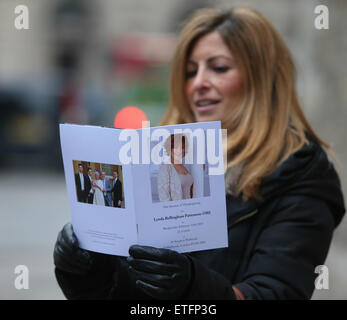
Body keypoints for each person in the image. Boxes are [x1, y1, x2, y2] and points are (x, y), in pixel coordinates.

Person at [54, 7, 345, 299]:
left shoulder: (302, 172)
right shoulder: (158, 163)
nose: (198, 83)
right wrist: (88, 270)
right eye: (190, 72)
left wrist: (193, 285)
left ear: (262, 78)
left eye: (218, 68)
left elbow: (277, 292)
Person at [157, 133, 194, 201]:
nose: (179, 151)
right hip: (177, 210)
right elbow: (164, 199)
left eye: (182, 147)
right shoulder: (165, 169)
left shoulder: (185, 167)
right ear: (170, 148)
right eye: (176, 147)